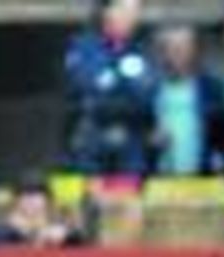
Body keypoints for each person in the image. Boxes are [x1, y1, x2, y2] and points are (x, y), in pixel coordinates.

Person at [63, 0, 157, 176]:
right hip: (92, 143)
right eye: (126, 10)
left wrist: (114, 86)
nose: (133, 18)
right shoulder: (84, 48)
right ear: (108, 12)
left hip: (132, 145)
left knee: (129, 198)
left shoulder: (140, 51)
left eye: (136, 12)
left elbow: (147, 97)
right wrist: (121, 89)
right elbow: (87, 91)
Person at [151, 23, 224, 183]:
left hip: (204, 182)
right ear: (164, 52)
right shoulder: (150, 91)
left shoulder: (213, 91)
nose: (178, 53)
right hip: (159, 182)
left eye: (183, 47)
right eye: (172, 47)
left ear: (195, 50)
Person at [0, 173, 85, 247]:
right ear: (16, 201)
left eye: (36, 195)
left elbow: (80, 241)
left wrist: (64, 235)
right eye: (25, 195)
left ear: (47, 201)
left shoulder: (55, 229)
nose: (31, 201)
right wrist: (17, 232)